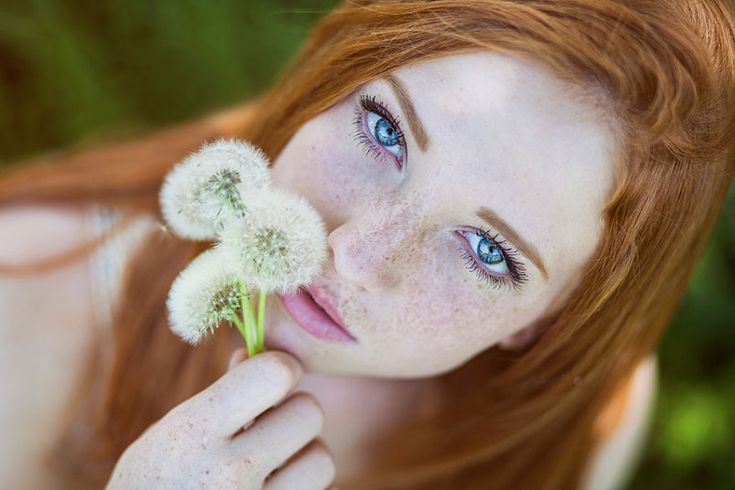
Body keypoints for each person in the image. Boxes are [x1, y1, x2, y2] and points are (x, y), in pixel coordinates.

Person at [1, 0, 733, 488]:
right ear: (329, 83)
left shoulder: (571, 422)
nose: (354, 254)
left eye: (485, 250)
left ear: (549, 318)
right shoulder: (21, 306)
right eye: (384, 130)